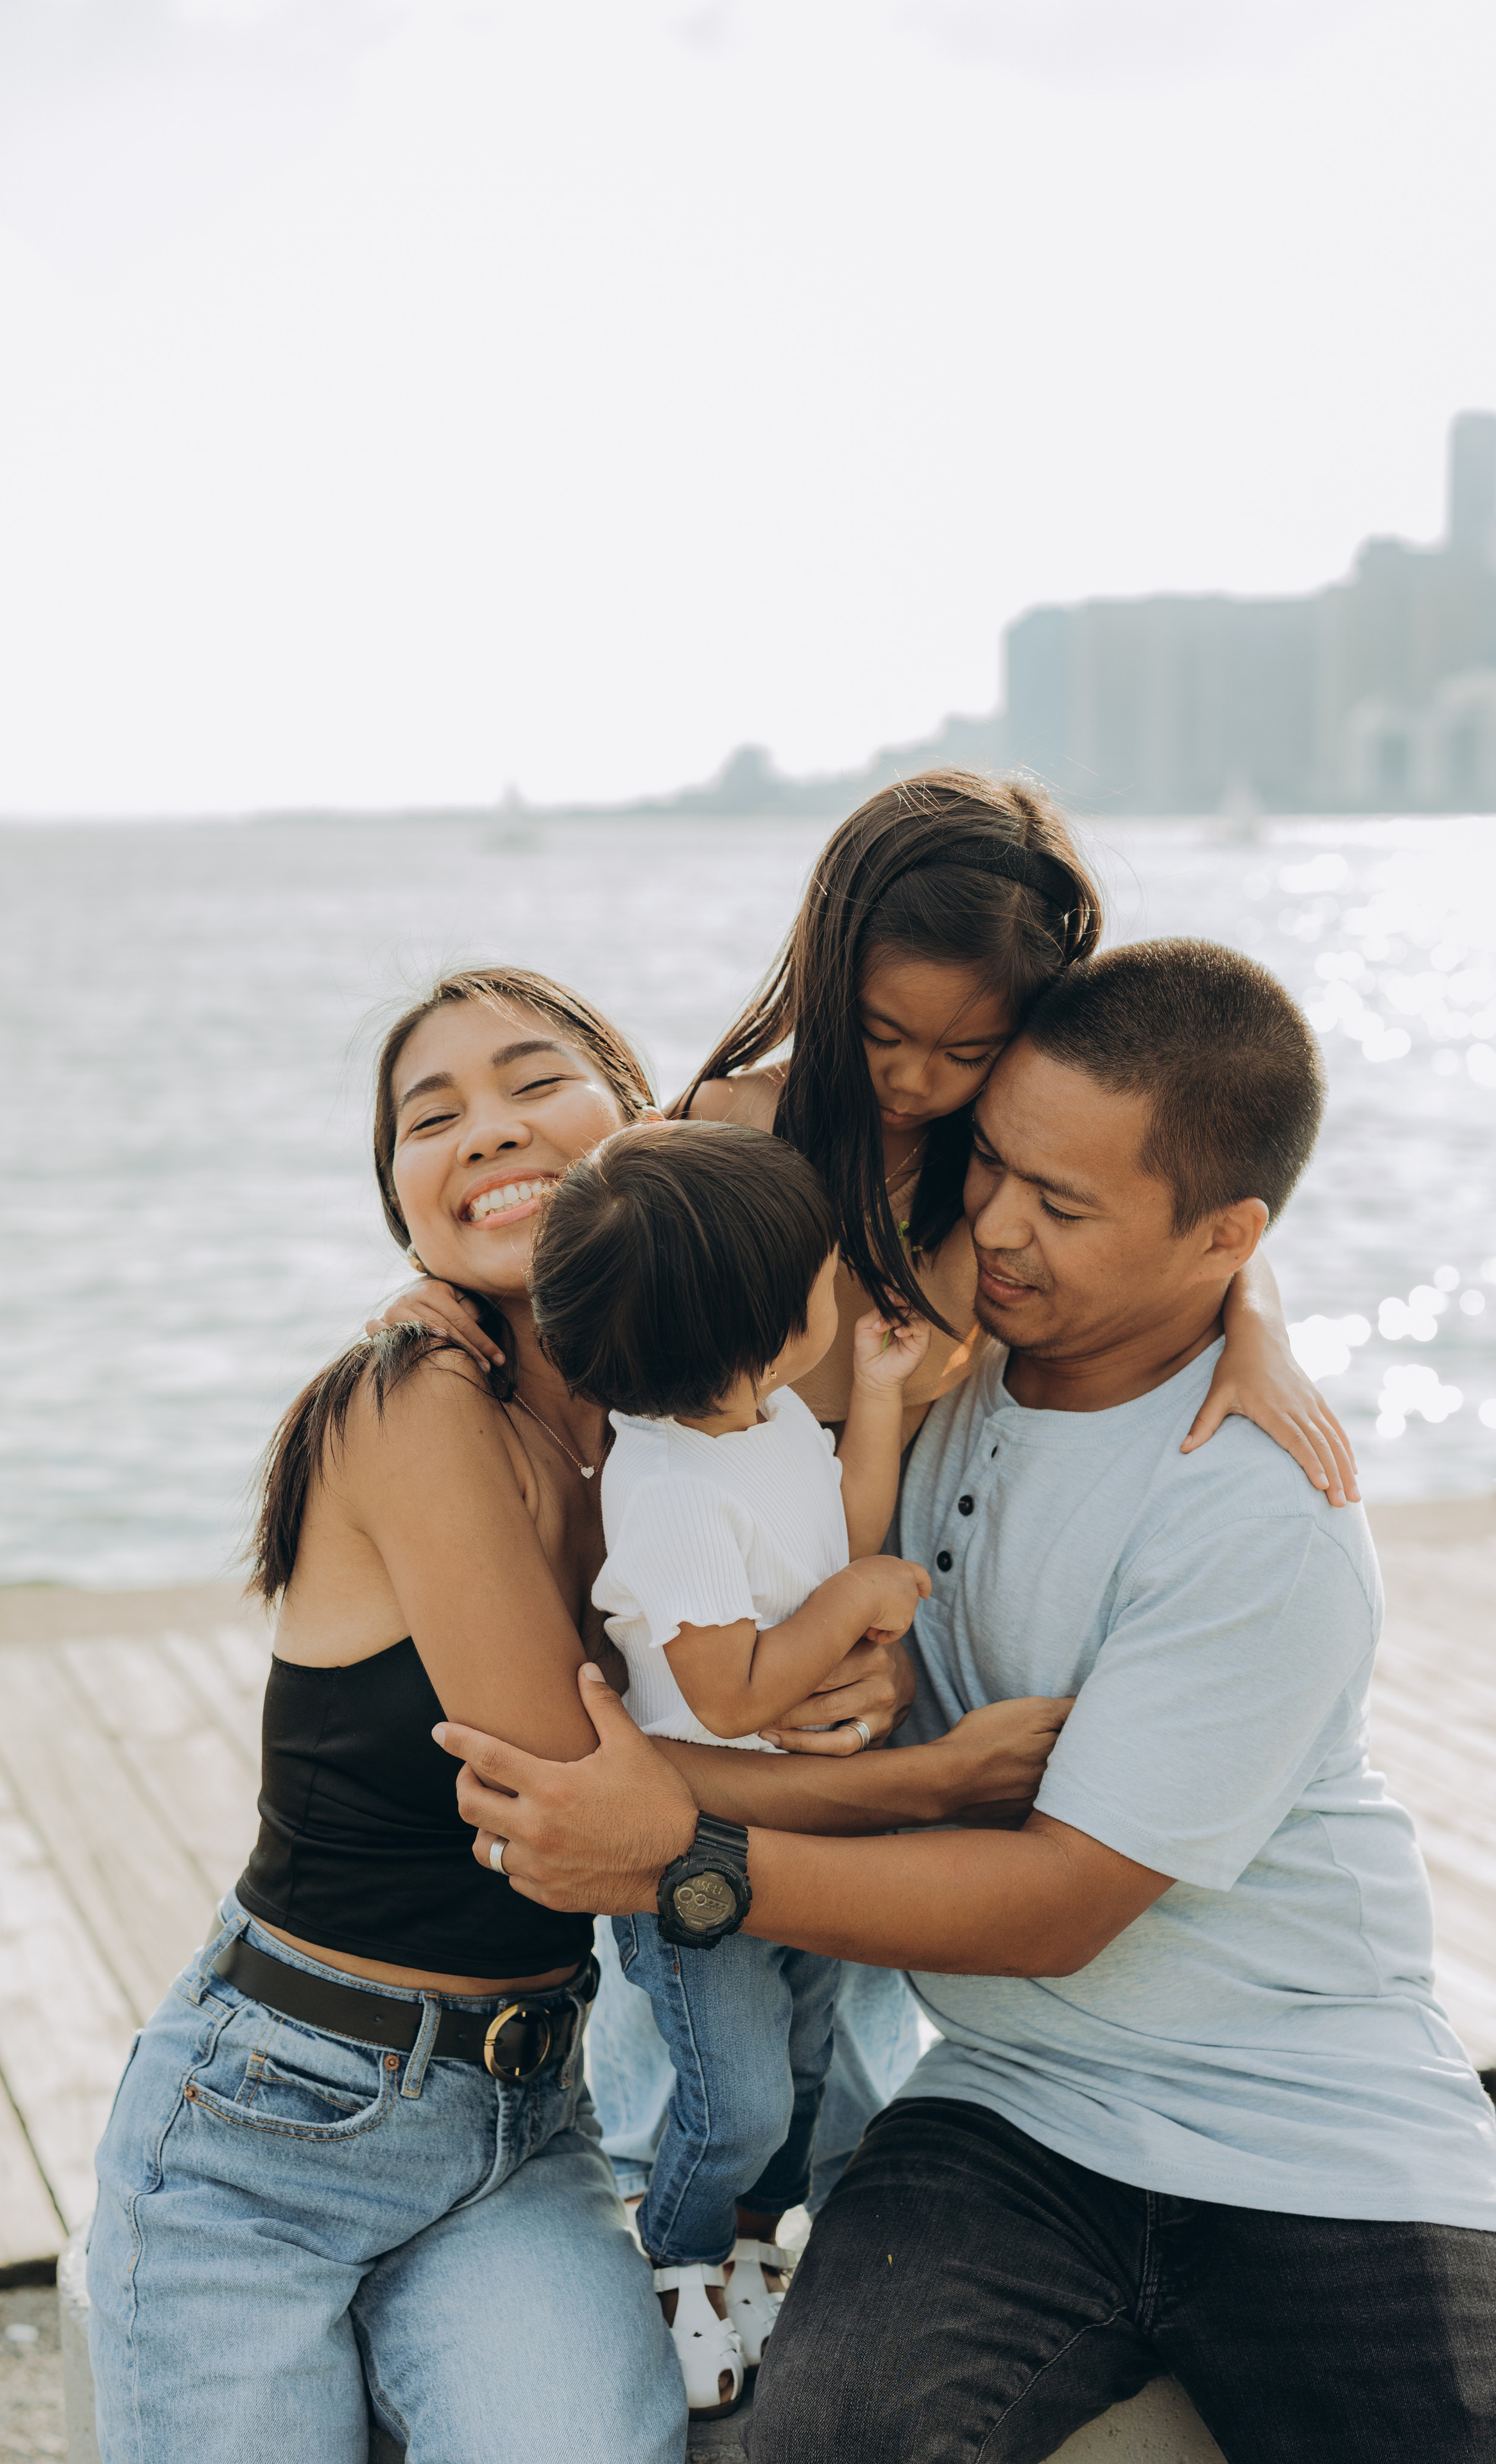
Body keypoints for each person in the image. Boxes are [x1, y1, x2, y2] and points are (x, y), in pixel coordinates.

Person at [434, 937, 1496, 2464]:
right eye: (991, 1164)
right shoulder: (917, 1367)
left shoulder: (1258, 1511)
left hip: (1312, 2125)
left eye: (1058, 1206)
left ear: (1225, 1238)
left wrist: (683, 1863)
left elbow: (1059, 1904)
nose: (994, 1223)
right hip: (1009, 2108)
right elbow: (659, 1245)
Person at [87, 964, 1064, 2464]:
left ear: (641, 1121)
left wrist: (833, 1675)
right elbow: (567, 1799)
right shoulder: (412, 1401)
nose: (487, 1129)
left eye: (535, 1082)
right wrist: (920, 1781)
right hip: (275, 2125)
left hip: (522, 2123)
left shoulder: (689, 1409)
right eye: (433, 1117)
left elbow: (1006, 1149)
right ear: (403, 1205)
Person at [383, 770, 1363, 2216]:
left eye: (965, 1048)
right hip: (727, 1612)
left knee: (852, 2038)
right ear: (824, 969)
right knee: (710, 2057)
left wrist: (1256, 1323)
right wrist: (416, 1304)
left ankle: (799, 2239)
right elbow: (596, 1264)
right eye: (883, 1033)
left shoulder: (1004, 1148)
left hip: (879, 1613)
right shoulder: (735, 1127)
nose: (913, 1081)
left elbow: (1181, 1193)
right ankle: (675, 2245)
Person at [527, 1119, 965, 2410]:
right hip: (694, 1859)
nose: (837, 1288)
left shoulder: (764, 1419)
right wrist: (863, 1604)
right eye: (821, 1278)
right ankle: (669, 2264)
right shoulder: (664, 1488)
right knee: (732, 2108)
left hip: (801, 1840)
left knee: (816, 2066)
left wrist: (876, 1396)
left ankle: (757, 2256)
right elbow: (728, 1689)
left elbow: (840, 1539)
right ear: (761, 1330)